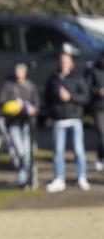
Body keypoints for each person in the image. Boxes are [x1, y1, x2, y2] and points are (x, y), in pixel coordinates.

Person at [45, 53, 90, 192]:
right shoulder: (53, 79)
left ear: (71, 64)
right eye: (61, 61)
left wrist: (70, 97)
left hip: (75, 119)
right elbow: (47, 99)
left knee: (79, 150)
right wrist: (53, 113)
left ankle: (82, 177)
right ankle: (59, 178)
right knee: (58, 152)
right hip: (59, 121)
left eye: (66, 61)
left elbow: (86, 97)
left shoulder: (78, 78)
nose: (63, 63)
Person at [0, 62, 40, 187]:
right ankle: (30, 173)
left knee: (27, 152)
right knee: (21, 152)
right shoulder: (8, 85)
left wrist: (32, 108)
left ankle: (23, 178)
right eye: (17, 71)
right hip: (13, 123)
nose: (18, 73)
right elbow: (1, 101)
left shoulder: (30, 86)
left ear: (25, 73)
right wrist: (14, 103)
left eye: (21, 71)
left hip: (26, 124)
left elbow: (36, 104)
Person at [85, 50, 104, 171]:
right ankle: (100, 157)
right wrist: (98, 91)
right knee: (102, 133)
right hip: (99, 107)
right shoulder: (93, 70)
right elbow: (86, 87)